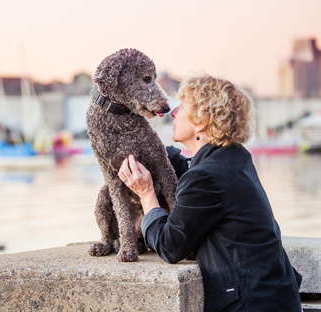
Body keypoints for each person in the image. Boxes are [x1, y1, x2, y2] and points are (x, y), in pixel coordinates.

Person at [118, 74, 302, 312]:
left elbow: (169, 246)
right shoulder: (235, 158)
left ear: (202, 120)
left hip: (250, 304)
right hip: (276, 296)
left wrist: (146, 193)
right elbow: (196, 176)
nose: (173, 112)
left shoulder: (207, 177)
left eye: (182, 106)